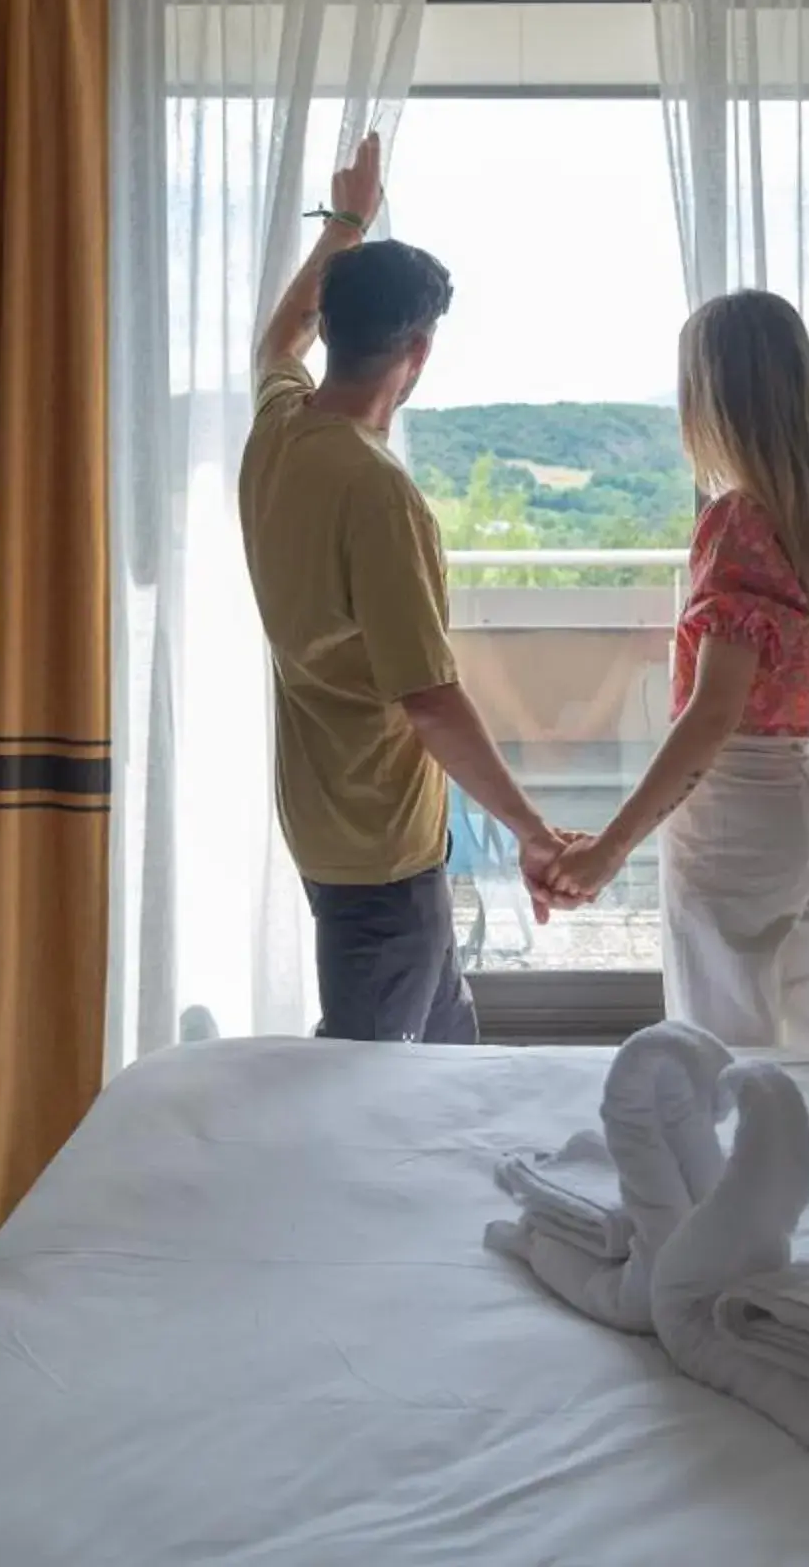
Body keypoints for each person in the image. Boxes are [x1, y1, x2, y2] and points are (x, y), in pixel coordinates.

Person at [239, 133, 580, 1045]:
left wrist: (346, 222)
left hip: (330, 826)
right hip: (380, 852)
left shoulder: (278, 429)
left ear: (332, 329)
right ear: (420, 351)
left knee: (445, 1045)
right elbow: (429, 699)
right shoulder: (378, 493)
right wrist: (533, 831)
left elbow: (277, 339)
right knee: (367, 1083)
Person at [552, 290, 809, 1048]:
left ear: (710, 402)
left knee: (725, 1054)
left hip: (737, 818)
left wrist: (610, 848)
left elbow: (713, 714)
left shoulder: (739, 521)